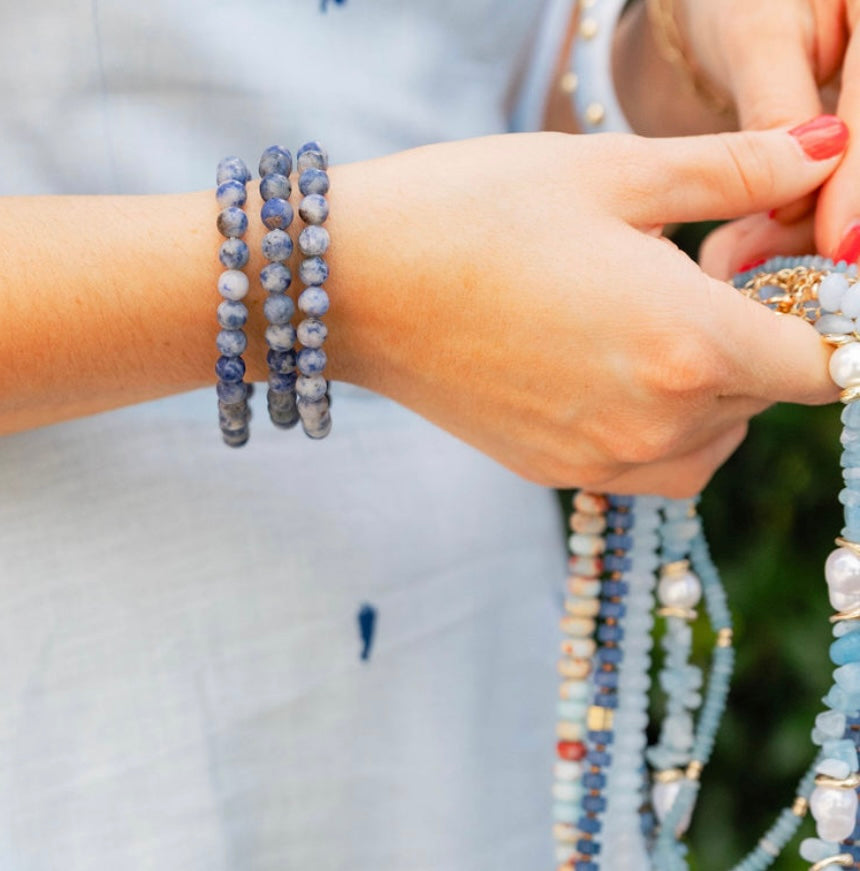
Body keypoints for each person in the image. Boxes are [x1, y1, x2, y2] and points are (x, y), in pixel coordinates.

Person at [0, 1, 856, 869]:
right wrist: (335, 285)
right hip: (86, 732)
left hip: (469, 701)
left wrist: (688, 54)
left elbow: (479, 88)